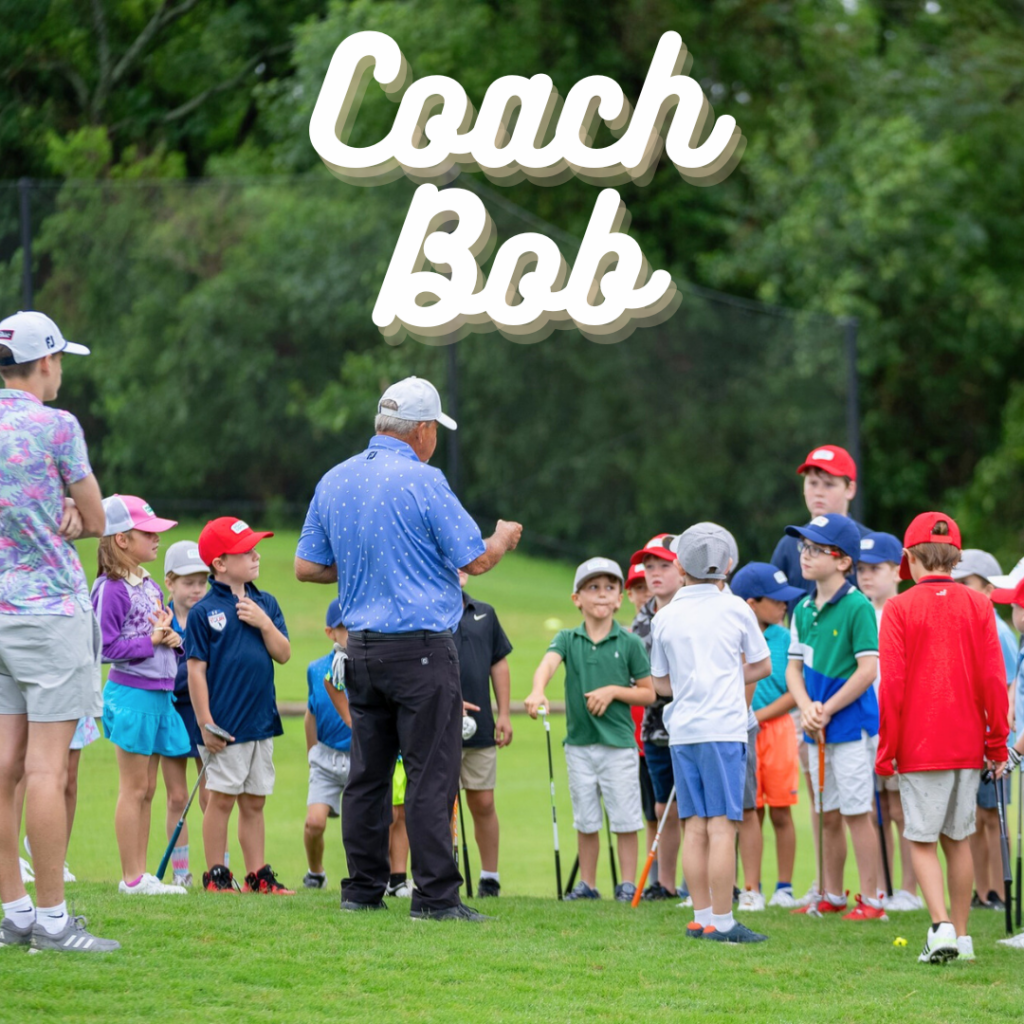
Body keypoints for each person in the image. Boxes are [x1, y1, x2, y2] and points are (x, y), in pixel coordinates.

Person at [295, 376, 522, 921]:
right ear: (421, 430)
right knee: (430, 772)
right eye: (435, 431)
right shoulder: (425, 480)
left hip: (362, 651)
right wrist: (503, 538)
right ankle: (436, 898)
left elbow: (306, 567)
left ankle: (361, 891)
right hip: (421, 650)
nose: (435, 441)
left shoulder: (334, 479)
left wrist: (364, 568)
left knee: (367, 774)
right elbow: (475, 561)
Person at [0, 309, 119, 952]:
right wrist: (72, 514)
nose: (61, 370)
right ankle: (51, 921)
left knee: (3, 769)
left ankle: (14, 912)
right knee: (46, 770)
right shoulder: (58, 426)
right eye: (60, 360)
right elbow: (98, 517)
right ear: (44, 362)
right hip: (48, 615)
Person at [877, 512, 1009, 963]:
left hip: (919, 745)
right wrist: (996, 742)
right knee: (958, 838)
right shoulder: (980, 605)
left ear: (910, 558)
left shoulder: (898, 607)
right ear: (955, 558)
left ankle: (941, 928)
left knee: (921, 840)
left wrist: (886, 749)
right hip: (968, 744)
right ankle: (964, 936)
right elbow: (994, 679)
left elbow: (891, 684)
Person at [649, 532, 772, 943]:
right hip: (723, 729)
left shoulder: (664, 615)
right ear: (727, 566)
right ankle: (722, 921)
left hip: (683, 732)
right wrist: (725, 676)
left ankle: (701, 916)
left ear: (680, 567)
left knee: (694, 826)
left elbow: (661, 685)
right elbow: (762, 666)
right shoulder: (736, 608)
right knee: (722, 826)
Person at [526, 558, 656, 901]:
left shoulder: (628, 642)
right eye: (593, 588)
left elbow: (648, 692)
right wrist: (538, 690)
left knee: (626, 818)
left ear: (619, 599)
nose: (602, 595)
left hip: (618, 745)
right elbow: (547, 665)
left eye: (610, 588)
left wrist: (613, 691)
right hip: (579, 745)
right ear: (577, 598)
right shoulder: (568, 639)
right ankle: (588, 885)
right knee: (585, 819)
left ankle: (628, 885)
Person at [186, 516, 293, 895]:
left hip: (261, 721)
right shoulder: (203, 613)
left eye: (254, 548)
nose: (256, 555)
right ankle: (217, 874)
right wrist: (205, 723)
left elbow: (284, 654)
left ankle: (257, 874)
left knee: (255, 801)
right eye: (245, 551)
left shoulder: (266, 603)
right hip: (225, 727)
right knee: (222, 799)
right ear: (220, 563)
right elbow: (196, 671)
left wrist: (265, 623)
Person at [785, 513, 885, 921]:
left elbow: (867, 670)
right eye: (803, 548)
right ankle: (831, 893)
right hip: (816, 727)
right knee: (826, 813)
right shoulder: (803, 608)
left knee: (857, 813)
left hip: (849, 726)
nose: (805, 556)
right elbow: (792, 668)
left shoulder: (857, 606)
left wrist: (826, 708)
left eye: (815, 549)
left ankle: (873, 900)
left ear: (843, 561)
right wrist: (807, 706)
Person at [92, 494, 189, 896]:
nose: (157, 540)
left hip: (156, 695)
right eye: (148, 533)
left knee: (148, 789)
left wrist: (168, 634)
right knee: (134, 788)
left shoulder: (146, 582)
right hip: (132, 696)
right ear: (121, 540)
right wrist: (151, 639)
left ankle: (141, 874)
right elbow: (103, 647)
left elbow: (150, 635)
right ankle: (131, 878)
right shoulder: (112, 587)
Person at [730, 562, 805, 909]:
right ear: (751, 603)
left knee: (780, 811)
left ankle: (784, 888)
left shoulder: (785, 637)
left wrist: (756, 716)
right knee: (750, 810)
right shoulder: (732, 633)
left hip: (776, 731)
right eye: (776, 601)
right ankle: (751, 887)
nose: (783, 606)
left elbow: (794, 691)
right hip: (739, 733)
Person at [857, 531, 922, 911]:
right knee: (875, 810)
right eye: (862, 569)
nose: (867, 576)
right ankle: (883, 888)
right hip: (866, 723)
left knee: (902, 810)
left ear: (896, 571)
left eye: (876, 568)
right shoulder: (859, 610)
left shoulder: (906, 610)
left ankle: (910, 889)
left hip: (901, 723)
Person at [952, 549, 1019, 911]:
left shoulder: (997, 628)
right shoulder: (969, 623)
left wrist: (997, 737)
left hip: (996, 740)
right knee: (976, 817)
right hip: (970, 737)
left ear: (990, 589)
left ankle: (999, 891)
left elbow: (1008, 687)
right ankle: (982, 891)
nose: (960, 590)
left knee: (992, 816)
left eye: (967, 584)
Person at [628, 535, 683, 900]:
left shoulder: (692, 612)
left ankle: (707, 883)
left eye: (664, 565)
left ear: (682, 568)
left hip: (693, 723)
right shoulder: (640, 622)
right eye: (649, 567)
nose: (655, 574)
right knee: (663, 806)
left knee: (699, 806)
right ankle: (664, 885)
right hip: (655, 728)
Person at [455, 571, 513, 897]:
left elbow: (498, 663)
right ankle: (442, 871)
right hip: (436, 725)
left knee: (484, 801)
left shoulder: (484, 613)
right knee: (439, 802)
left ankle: (489, 876)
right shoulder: (424, 611)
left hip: (481, 726)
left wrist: (504, 713)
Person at [160, 540, 211, 887]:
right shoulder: (159, 619)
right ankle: (182, 874)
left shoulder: (210, 617)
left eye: (202, 581)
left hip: (205, 712)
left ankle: (218, 871)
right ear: (170, 583)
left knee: (211, 794)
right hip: (171, 711)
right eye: (188, 582)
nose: (196, 589)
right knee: (177, 796)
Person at [770, 445, 871, 603]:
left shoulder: (869, 544)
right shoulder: (788, 544)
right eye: (813, 483)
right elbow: (771, 606)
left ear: (850, 489)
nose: (818, 492)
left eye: (829, 484)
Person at [303, 600, 352, 890]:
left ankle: (381, 877)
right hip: (326, 757)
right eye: (343, 628)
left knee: (370, 824)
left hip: (361, 757)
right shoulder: (315, 669)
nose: (350, 633)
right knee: (315, 823)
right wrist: (312, 753)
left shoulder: (368, 664)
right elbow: (311, 714)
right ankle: (316, 873)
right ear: (330, 632)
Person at [17, 715, 100, 885]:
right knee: (18, 771)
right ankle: (10, 861)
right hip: (31, 696)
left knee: (69, 778)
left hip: (71, 695)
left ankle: (55, 858)